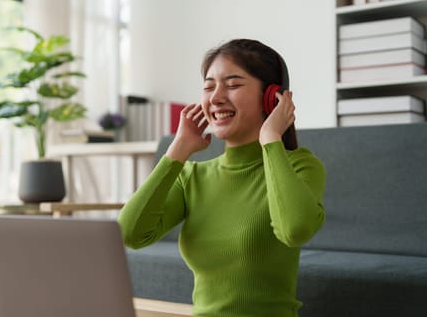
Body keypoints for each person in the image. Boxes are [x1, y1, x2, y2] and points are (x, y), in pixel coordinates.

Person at [118, 39, 326, 317]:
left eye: (233, 84)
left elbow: (294, 230)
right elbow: (129, 234)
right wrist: (178, 150)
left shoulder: (300, 166)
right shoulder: (193, 176)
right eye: (208, 86)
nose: (215, 97)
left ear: (270, 98)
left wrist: (271, 139)